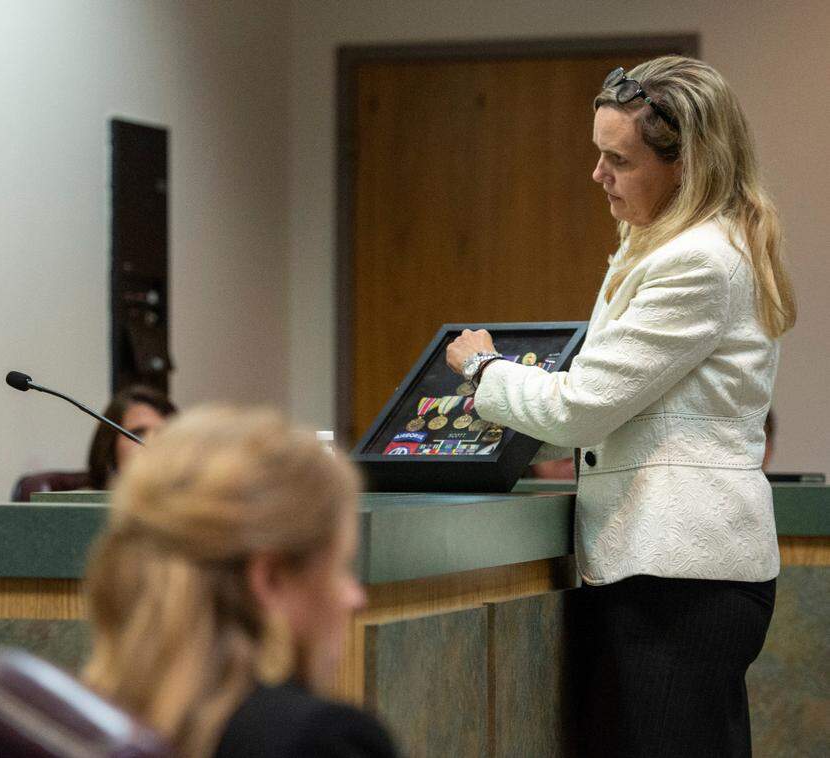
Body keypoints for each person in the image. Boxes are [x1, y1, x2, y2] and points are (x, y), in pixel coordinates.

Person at [446, 56, 796, 757]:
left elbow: (583, 407)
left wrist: (483, 369)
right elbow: (620, 410)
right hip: (665, 574)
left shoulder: (696, 260)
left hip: (682, 580)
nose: (598, 174)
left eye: (620, 160)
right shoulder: (667, 246)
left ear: (687, 165)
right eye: (599, 153)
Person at [80, 406, 397, 758]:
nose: (355, 597)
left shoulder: (80, 725)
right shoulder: (321, 741)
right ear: (270, 580)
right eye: (341, 567)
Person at [85, 384, 176, 489]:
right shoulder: (81, 498)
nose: (151, 442)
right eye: (138, 433)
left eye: (162, 434)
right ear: (110, 447)